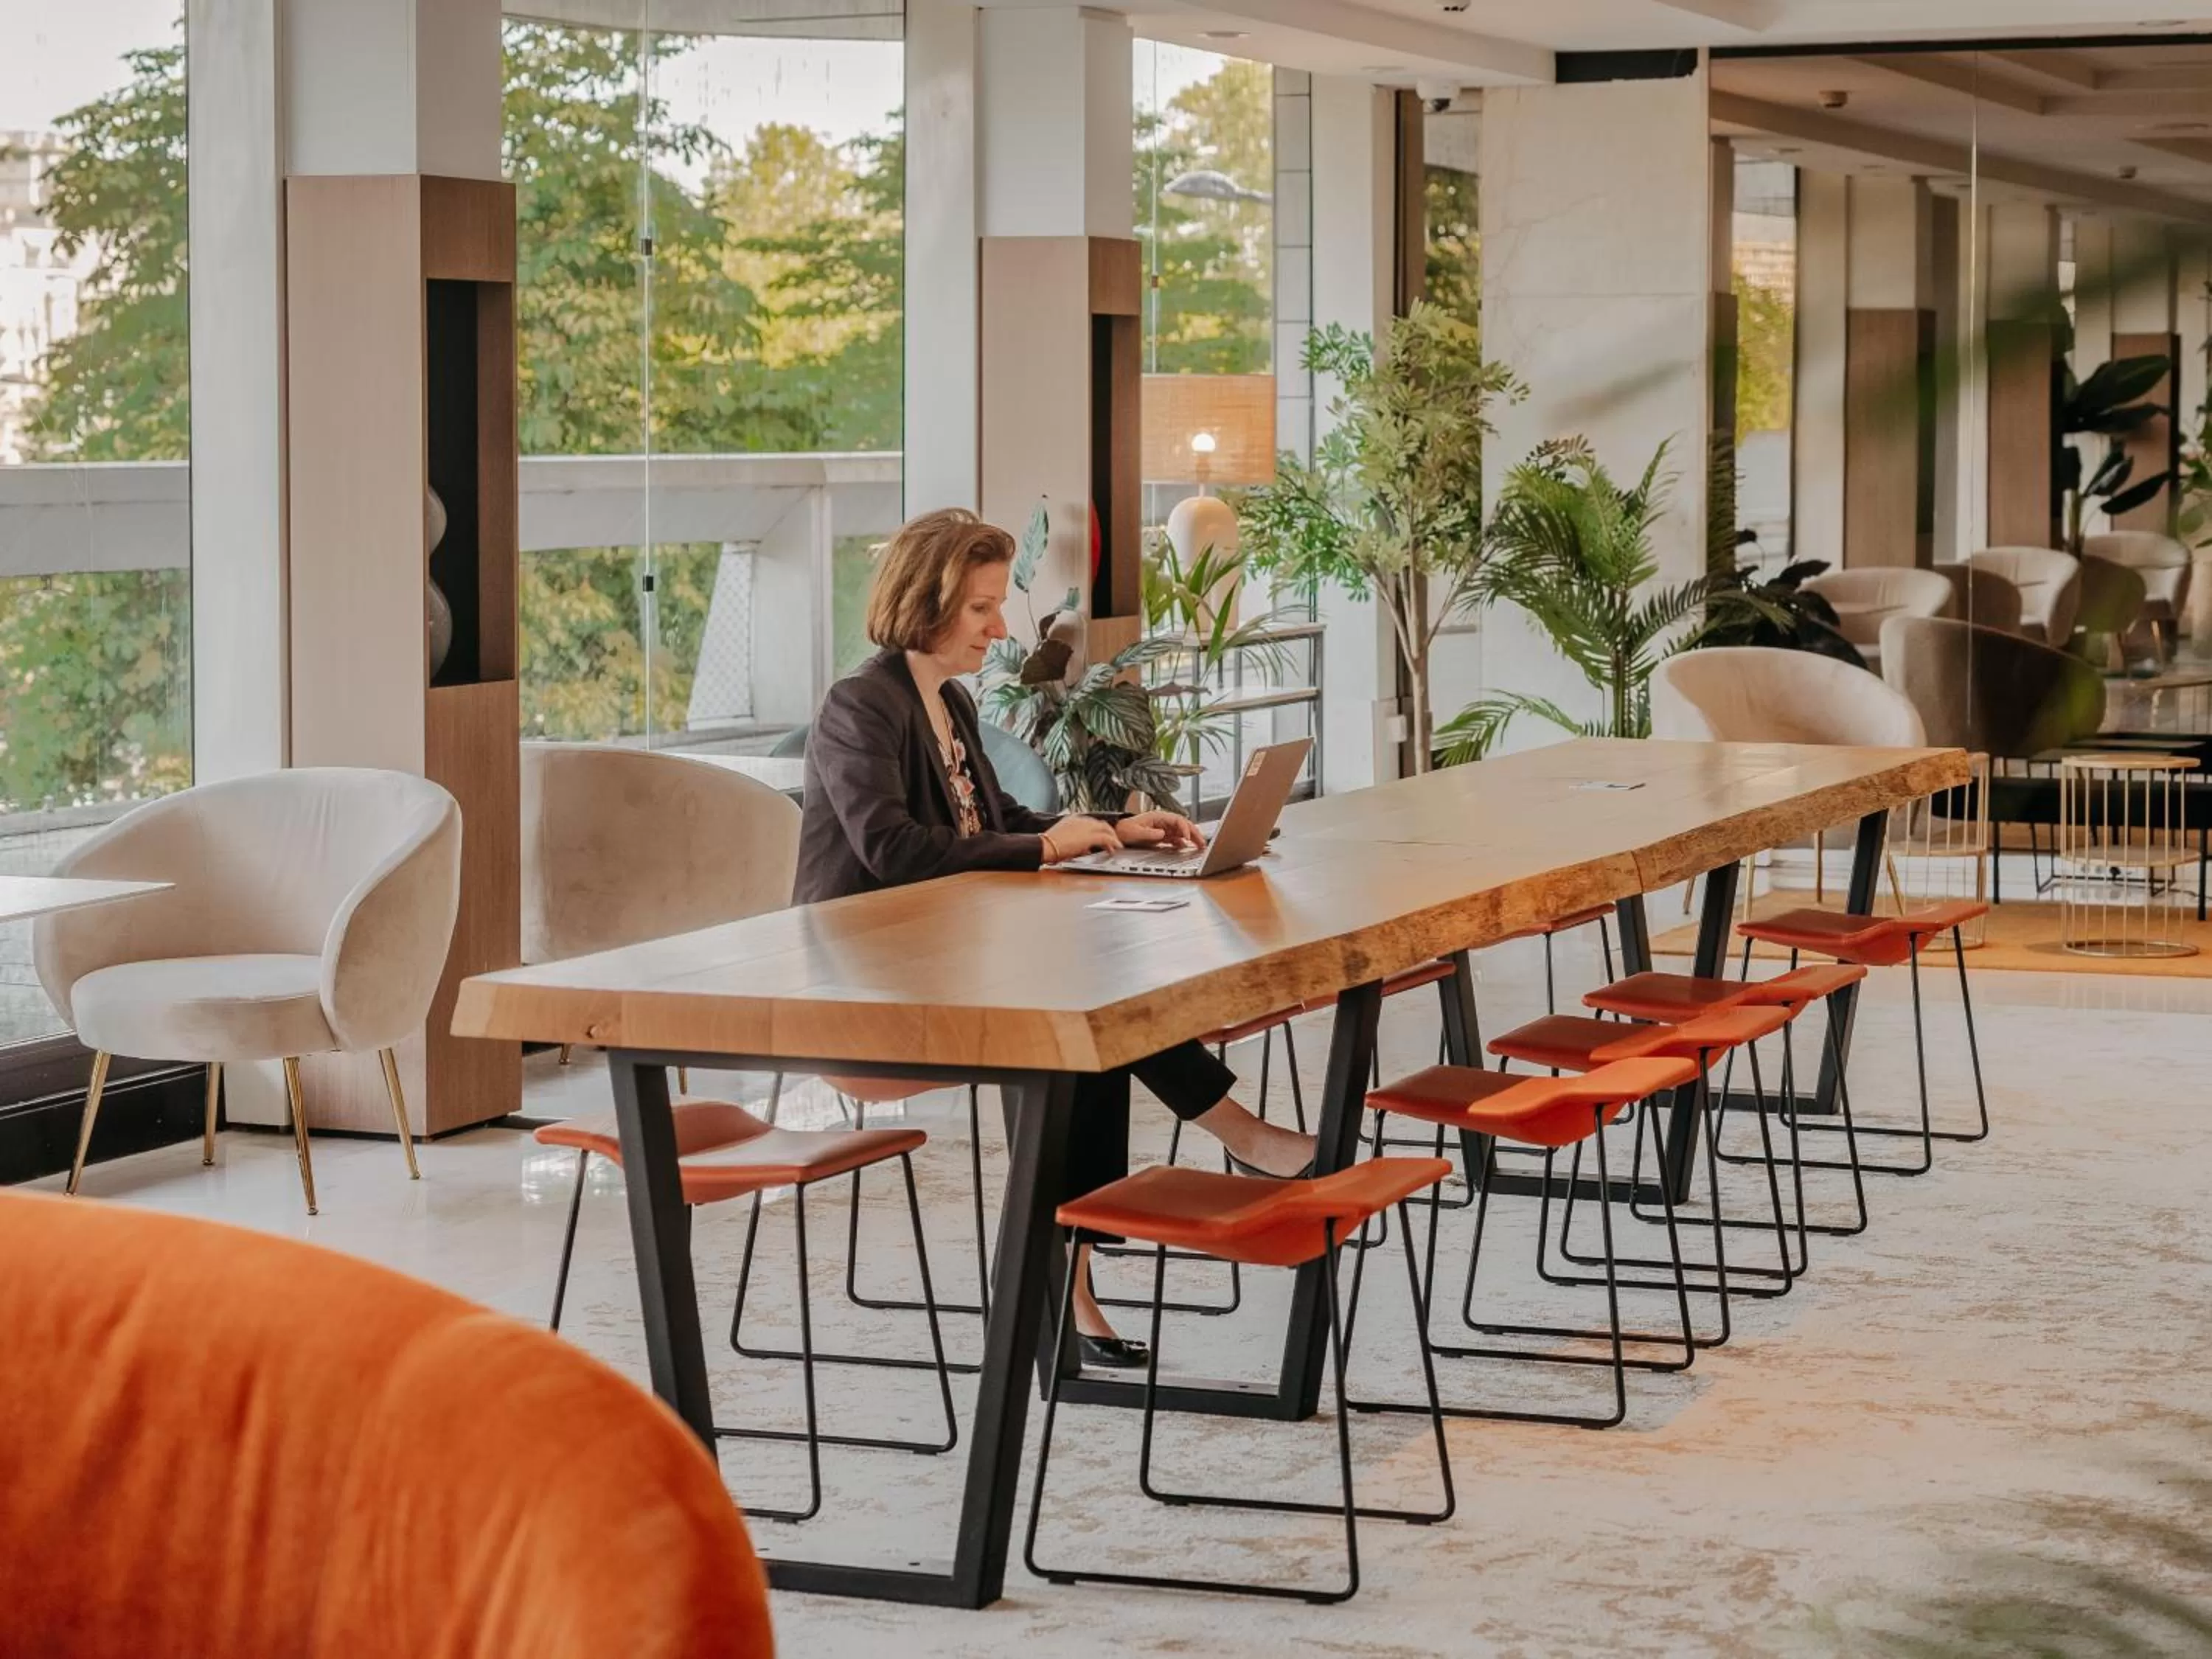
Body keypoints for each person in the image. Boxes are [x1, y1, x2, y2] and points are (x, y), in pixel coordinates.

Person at [795, 507, 1314, 1366]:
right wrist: (1045, 847)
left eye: (998, 606)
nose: (1000, 629)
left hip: (947, 951)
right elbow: (891, 849)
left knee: (1095, 1002)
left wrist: (1111, 826)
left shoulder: (947, 699)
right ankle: (1236, 1138)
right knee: (1082, 1008)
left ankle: (1076, 1274)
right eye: (979, 610)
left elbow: (996, 821)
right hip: (870, 976)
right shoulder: (862, 705)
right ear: (922, 603)